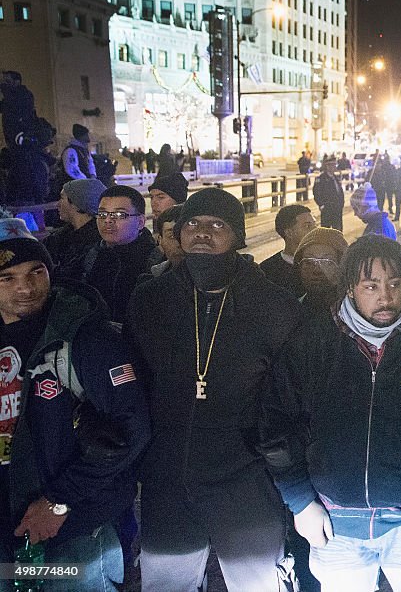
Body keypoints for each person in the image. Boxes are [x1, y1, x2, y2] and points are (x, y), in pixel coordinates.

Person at [259, 234, 401, 591]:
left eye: (394, 283)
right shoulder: (312, 342)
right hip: (335, 526)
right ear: (350, 288)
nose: (385, 297)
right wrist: (300, 502)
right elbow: (275, 424)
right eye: (371, 285)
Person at [126, 187, 302, 591]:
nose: (202, 232)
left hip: (245, 478)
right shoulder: (151, 299)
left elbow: (293, 395)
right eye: (193, 224)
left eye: (216, 225)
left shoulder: (275, 306)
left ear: (238, 237)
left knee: (259, 583)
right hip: (168, 479)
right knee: (166, 583)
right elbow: (134, 381)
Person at [0, 215, 150, 591]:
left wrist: (59, 501)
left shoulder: (85, 337)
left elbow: (131, 427)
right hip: (8, 522)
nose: (26, 287)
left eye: (37, 271)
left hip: (71, 529)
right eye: (8, 278)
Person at [71, 185, 156, 323]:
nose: (108, 220)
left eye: (119, 215)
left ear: (140, 222)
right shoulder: (88, 255)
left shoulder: (154, 261)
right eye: (103, 214)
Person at [44, 178, 105, 277]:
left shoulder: (97, 243)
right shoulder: (58, 237)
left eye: (62, 198)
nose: (58, 204)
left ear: (77, 204)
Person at [260, 204, 318, 298]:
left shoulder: (326, 265)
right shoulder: (266, 272)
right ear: (289, 233)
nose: (315, 230)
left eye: (315, 225)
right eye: (307, 226)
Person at [293, 225, 348, 317]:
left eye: (327, 262)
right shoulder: (291, 311)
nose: (317, 270)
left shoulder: (357, 315)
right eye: (309, 262)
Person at [142, 204, 186, 281]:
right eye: (171, 236)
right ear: (160, 240)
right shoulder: (151, 281)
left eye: (185, 235)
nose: (179, 243)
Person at [313, 164, 345, 231]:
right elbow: (316, 192)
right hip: (327, 208)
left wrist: (341, 204)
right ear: (328, 166)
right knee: (326, 231)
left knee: (338, 230)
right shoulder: (321, 178)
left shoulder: (335, 177)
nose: (334, 167)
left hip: (337, 208)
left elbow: (340, 191)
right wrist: (321, 205)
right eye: (333, 165)